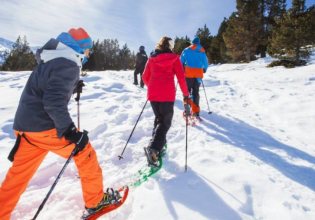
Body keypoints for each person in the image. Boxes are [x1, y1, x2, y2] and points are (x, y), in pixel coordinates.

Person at [0, 28, 119, 219]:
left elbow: (45, 90)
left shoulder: (52, 60)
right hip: (45, 128)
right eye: (89, 50)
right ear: (81, 48)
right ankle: (95, 202)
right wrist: (69, 131)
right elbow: (53, 101)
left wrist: (71, 87)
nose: (89, 54)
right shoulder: (68, 64)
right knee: (85, 152)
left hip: (25, 128)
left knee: (17, 178)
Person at [142, 36, 190, 167]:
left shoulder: (152, 58)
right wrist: (186, 94)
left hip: (153, 95)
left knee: (159, 119)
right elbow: (181, 78)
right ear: (170, 46)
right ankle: (153, 148)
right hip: (167, 95)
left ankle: (159, 146)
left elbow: (145, 77)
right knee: (165, 122)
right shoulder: (174, 58)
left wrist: (152, 87)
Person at [180, 37, 209, 119]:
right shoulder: (202, 51)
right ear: (199, 43)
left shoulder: (186, 50)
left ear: (192, 42)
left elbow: (180, 61)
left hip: (188, 74)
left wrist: (181, 69)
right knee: (196, 92)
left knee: (187, 91)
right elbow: (206, 63)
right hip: (198, 75)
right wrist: (204, 69)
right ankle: (196, 112)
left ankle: (187, 107)